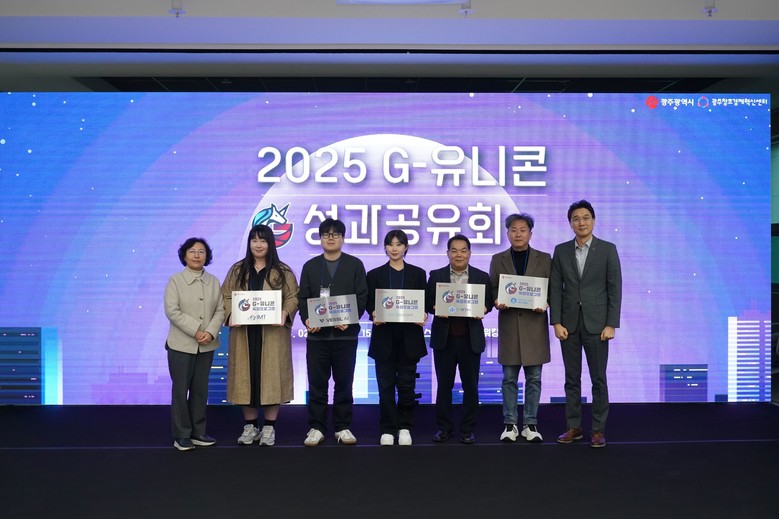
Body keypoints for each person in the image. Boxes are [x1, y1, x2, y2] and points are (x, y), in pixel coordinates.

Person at [549, 200, 622, 448]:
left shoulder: (607, 249)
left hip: (598, 325)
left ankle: (598, 430)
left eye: (586, 217)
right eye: (576, 219)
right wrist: (556, 321)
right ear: (570, 223)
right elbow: (555, 289)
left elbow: (615, 289)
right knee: (572, 379)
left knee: (598, 379)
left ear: (593, 220)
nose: (581, 222)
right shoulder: (561, 251)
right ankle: (574, 427)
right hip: (568, 325)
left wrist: (611, 324)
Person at [222, 224, 299, 447]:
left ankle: (269, 428)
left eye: (263, 240)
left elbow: (293, 296)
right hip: (244, 333)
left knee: (272, 378)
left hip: (272, 334)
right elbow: (225, 296)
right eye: (254, 240)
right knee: (246, 378)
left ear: (270, 243)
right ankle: (250, 427)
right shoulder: (238, 270)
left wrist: (284, 312)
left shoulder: (282, 271)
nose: (258, 245)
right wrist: (231, 314)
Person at [298, 218, 368, 446]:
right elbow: (303, 298)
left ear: (343, 238)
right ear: (320, 238)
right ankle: (316, 427)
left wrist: (350, 318)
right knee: (317, 384)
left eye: (335, 234)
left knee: (344, 383)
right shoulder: (310, 266)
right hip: (317, 337)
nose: (331, 238)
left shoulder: (354, 264)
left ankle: (342, 427)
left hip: (345, 336)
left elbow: (362, 296)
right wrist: (307, 319)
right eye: (326, 234)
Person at [489, 213, 552, 443]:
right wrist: (497, 300)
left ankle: (530, 424)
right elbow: (493, 288)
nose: (518, 234)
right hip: (509, 325)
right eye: (513, 230)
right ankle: (510, 424)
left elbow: (552, 290)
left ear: (530, 234)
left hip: (534, 326)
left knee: (534, 378)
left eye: (523, 230)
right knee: (509, 378)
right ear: (507, 233)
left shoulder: (544, 259)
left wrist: (546, 303)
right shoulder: (498, 259)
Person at [426, 234, 493, 444]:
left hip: (470, 339)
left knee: (471, 386)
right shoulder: (436, 275)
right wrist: (435, 308)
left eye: (463, 251)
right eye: (454, 251)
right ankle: (444, 428)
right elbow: (428, 301)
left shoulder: (481, 277)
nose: (459, 255)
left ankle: (467, 429)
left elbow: (489, 302)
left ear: (470, 253)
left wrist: (484, 308)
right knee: (444, 386)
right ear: (447, 253)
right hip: (444, 339)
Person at [366, 230, 427, 446]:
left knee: (406, 387)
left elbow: (425, 301)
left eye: (399, 244)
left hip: (409, 338)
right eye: (390, 244)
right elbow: (369, 303)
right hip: (384, 337)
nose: (394, 248)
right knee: (385, 388)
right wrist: (373, 312)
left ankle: (405, 427)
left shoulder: (418, 274)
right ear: (385, 247)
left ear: (406, 247)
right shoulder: (374, 275)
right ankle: (387, 429)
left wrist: (423, 313)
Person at [164, 237, 225, 451]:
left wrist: (210, 332)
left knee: (200, 390)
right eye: (192, 251)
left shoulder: (214, 281)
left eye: (201, 251)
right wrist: (196, 331)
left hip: (206, 344)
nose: (197, 255)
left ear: (207, 256)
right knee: (180, 390)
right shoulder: (175, 280)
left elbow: (220, 310)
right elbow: (172, 311)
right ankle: (181, 435)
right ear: (184, 255)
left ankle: (198, 432)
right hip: (180, 345)